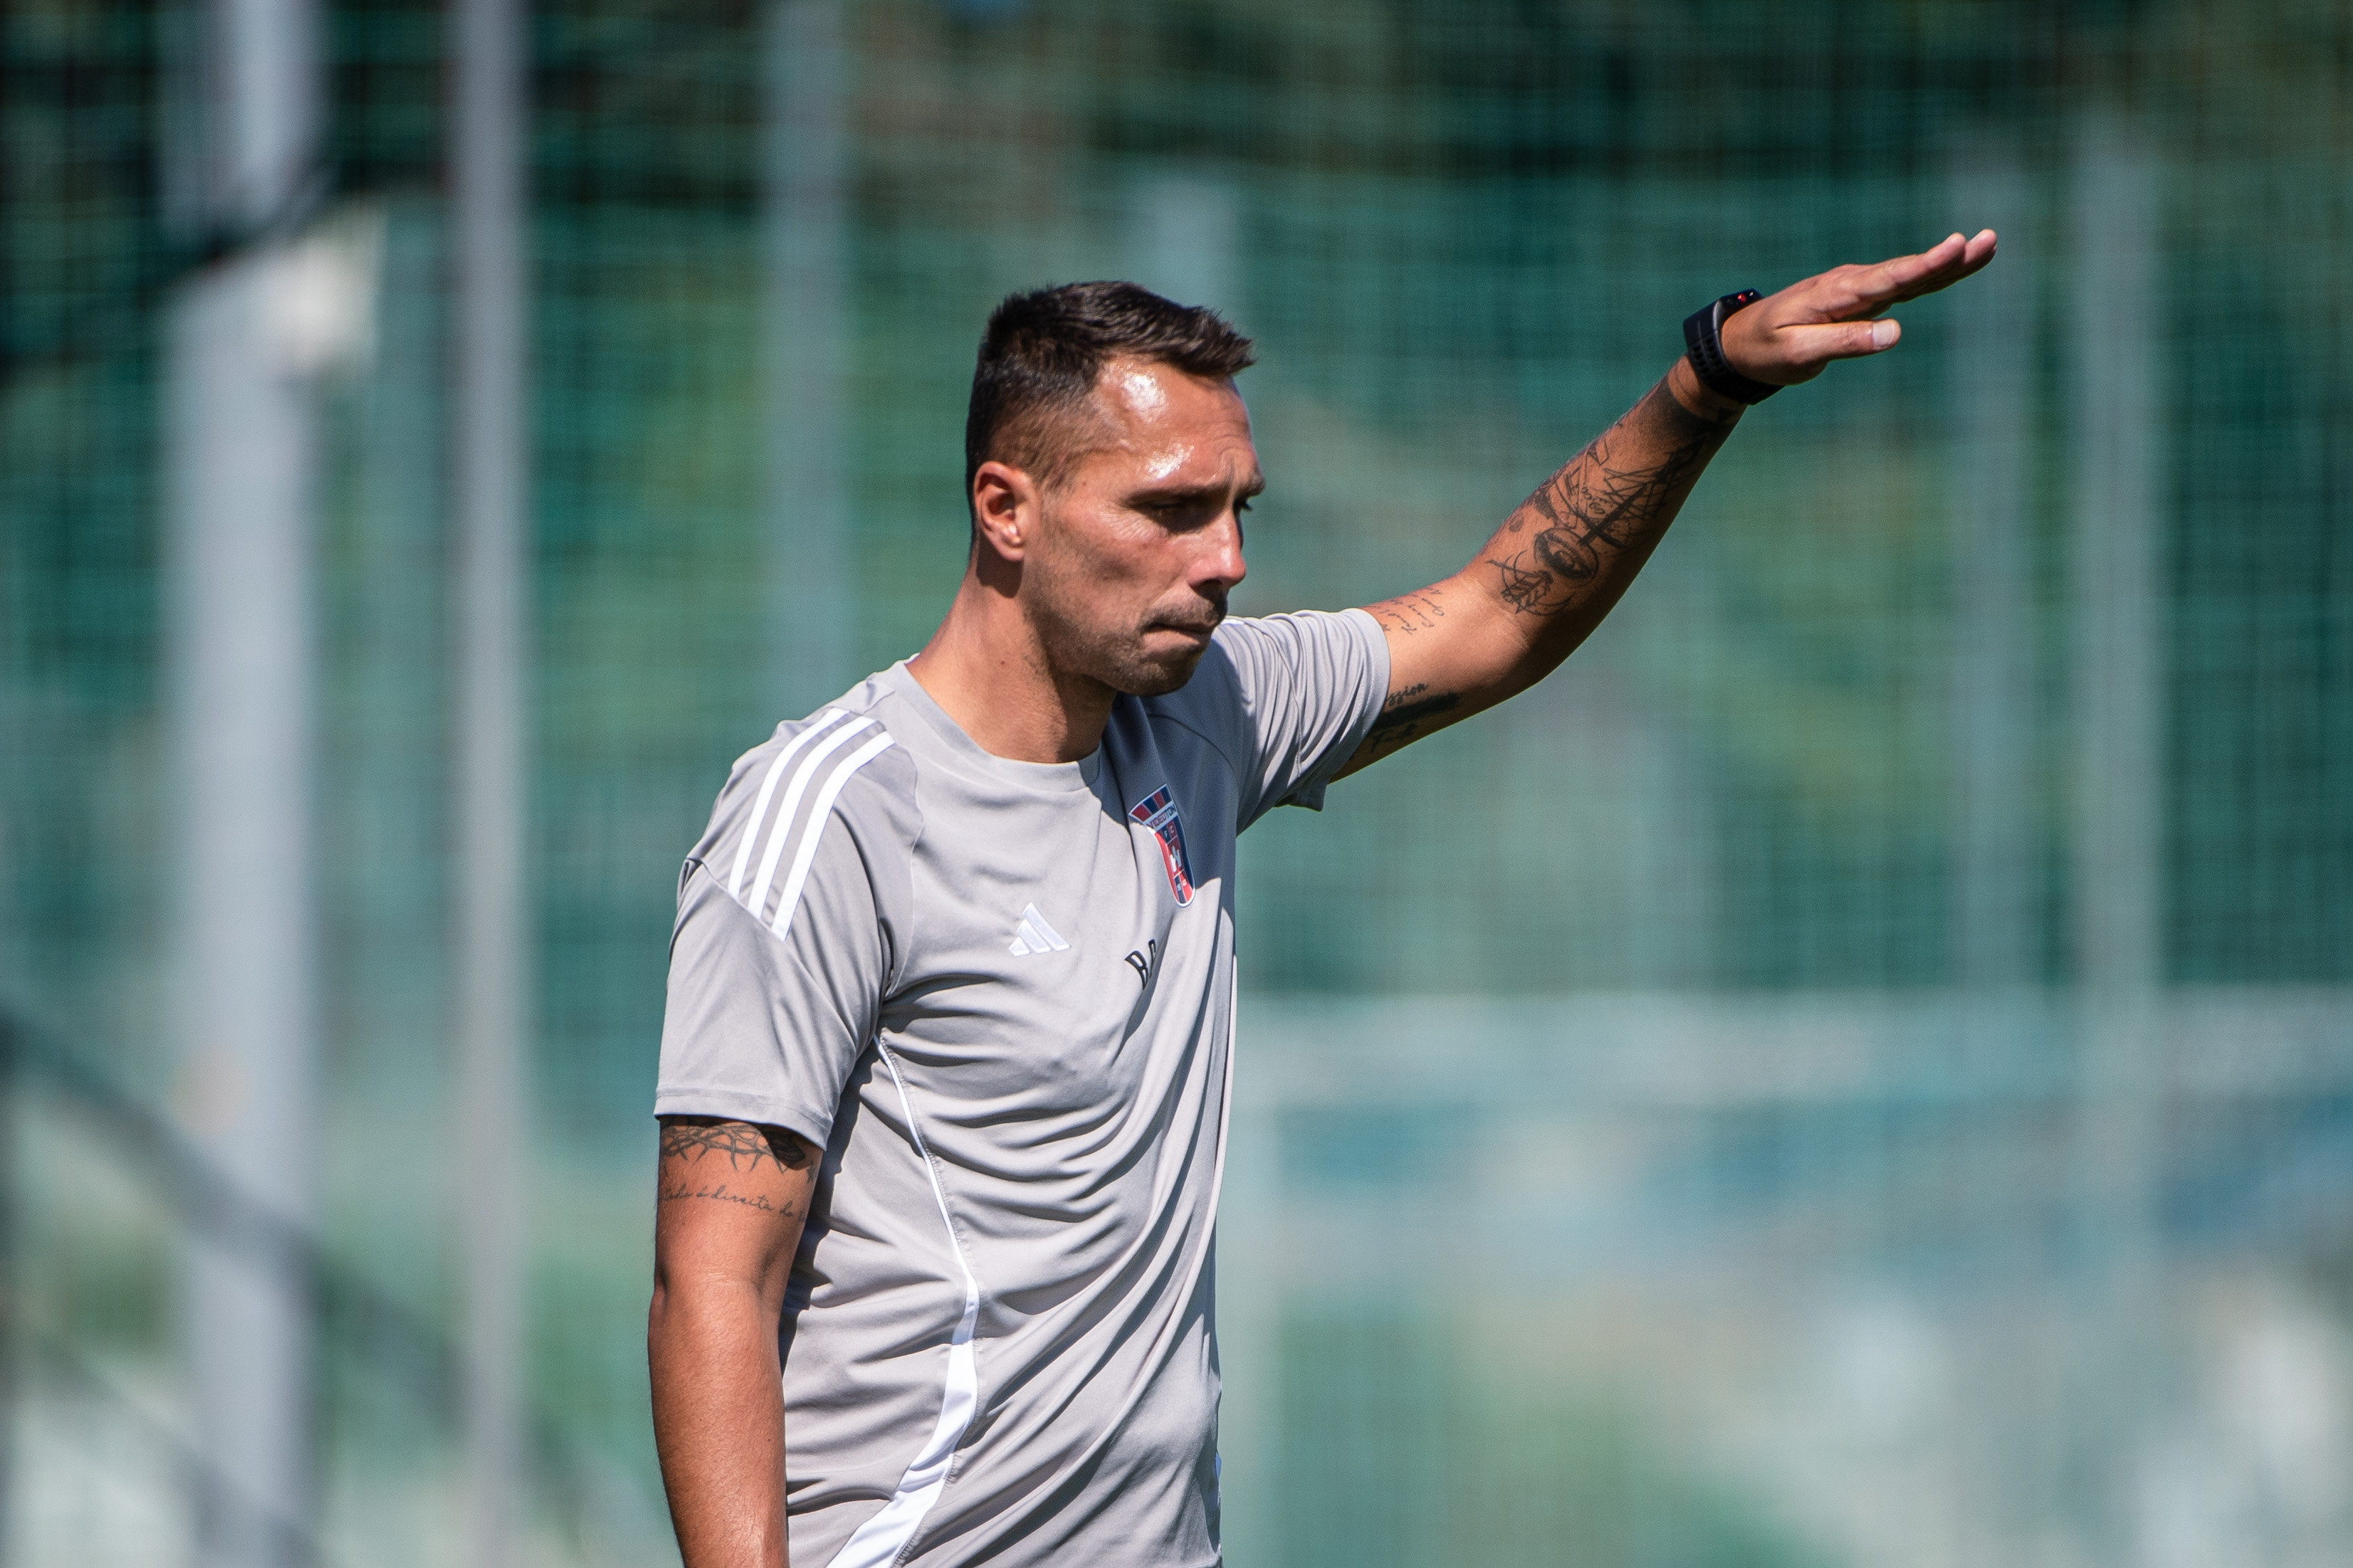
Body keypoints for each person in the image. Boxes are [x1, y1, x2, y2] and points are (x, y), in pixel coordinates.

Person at [646, 231, 1997, 1568]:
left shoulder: (1204, 712)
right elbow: (712, 1286)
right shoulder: (830, 820)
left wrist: (1705, 386)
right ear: (1007, 509)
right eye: (1171, 510)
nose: (1225, 559)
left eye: (1240, 508)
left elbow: (1494, 617)